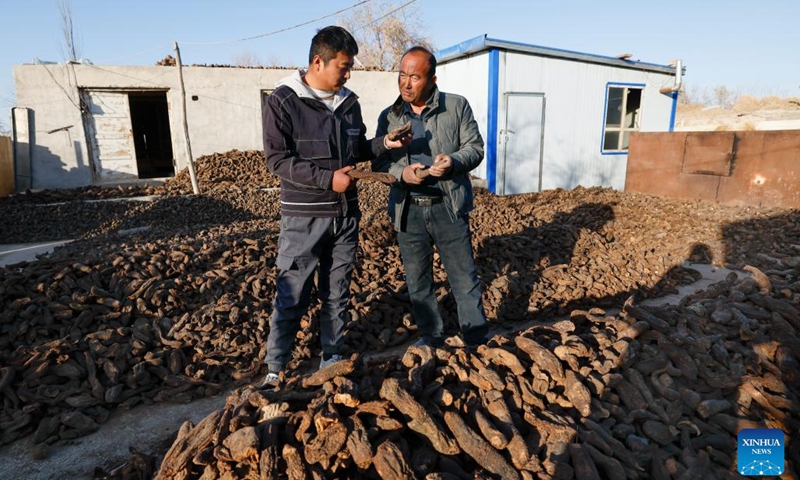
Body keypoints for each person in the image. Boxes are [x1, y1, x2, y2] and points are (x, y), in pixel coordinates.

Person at [261, 26, 408, 388]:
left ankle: (332, 356)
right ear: (318, 61)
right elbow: (277, 160)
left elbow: (356, 152)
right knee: (292, 291)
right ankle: (275, 368)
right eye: (343, 66)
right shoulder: (284, 101)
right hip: (304, 217)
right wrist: (328, 180)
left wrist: (384, 143)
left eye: (349, 67)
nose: (348, 73)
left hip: (345, 215)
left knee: (337, 291)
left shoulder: (349, 103)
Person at [373, 46, 489, 348]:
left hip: (448, 206)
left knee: (464, 278)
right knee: (418, 282)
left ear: (432, 79)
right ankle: (432, 338)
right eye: (402, 75)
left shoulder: (456, 106)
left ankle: (475, 338)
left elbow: (474, 148)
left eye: (415, 77)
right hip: (408, 209)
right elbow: (380, 162)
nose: (405, 84)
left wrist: (453, 162)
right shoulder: (389, 116)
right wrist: (403, 173)